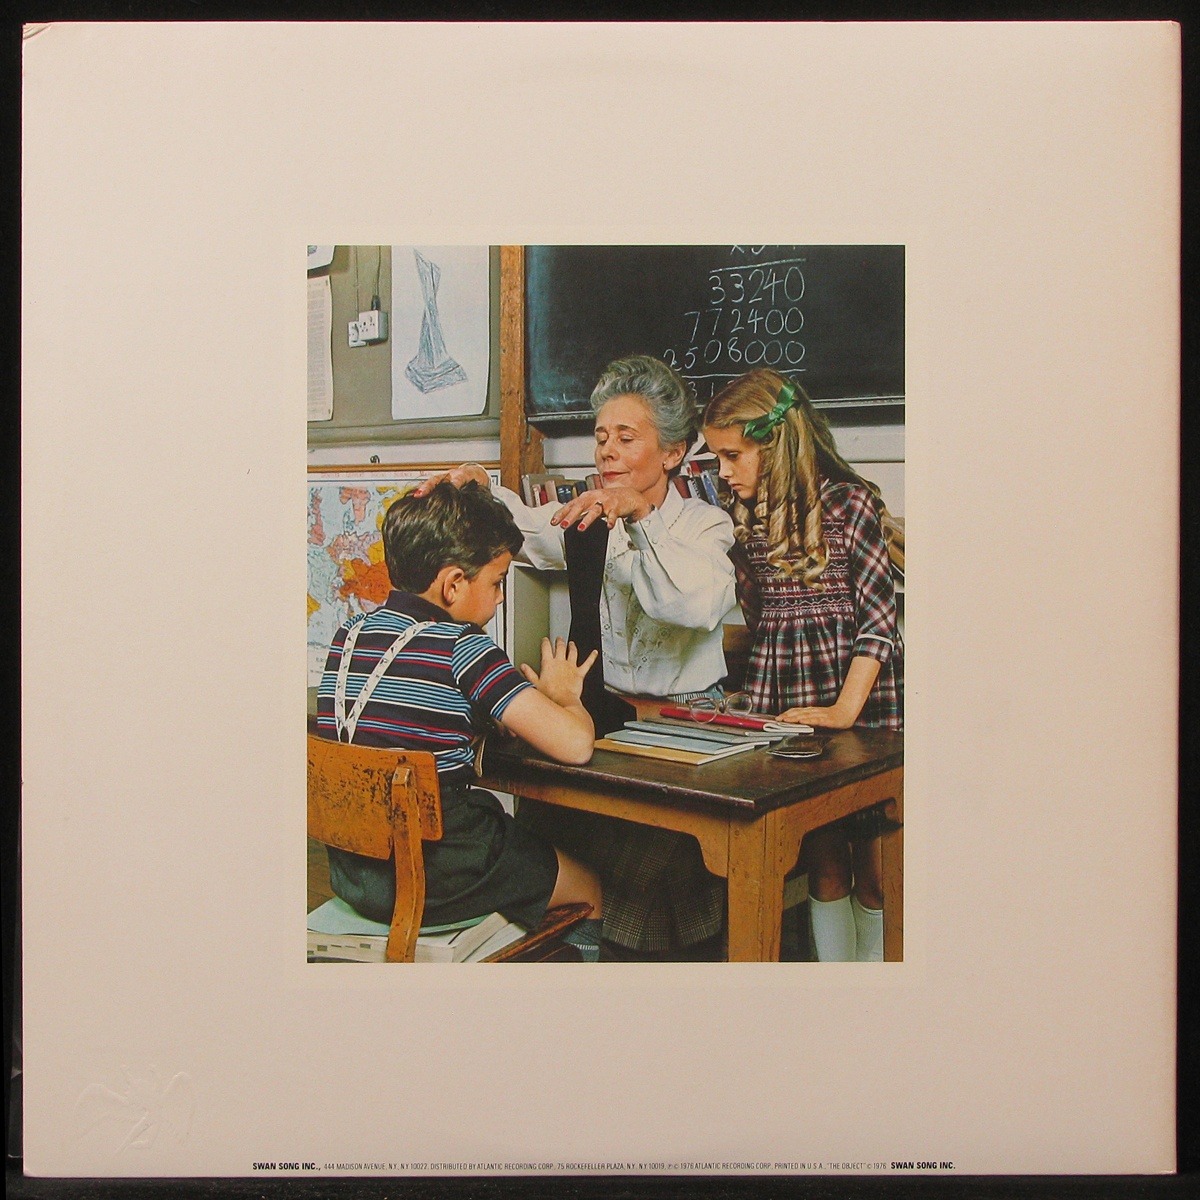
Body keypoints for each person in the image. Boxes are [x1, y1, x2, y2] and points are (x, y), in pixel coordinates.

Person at [415, 355, 738, 956]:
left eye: (626, 437)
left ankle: (635, 967)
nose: (607, 451)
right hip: (608, 721)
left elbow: (690, 605)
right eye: (601, 436)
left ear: (672, 453)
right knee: (541, 828)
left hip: (686, 729)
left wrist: (641, 518)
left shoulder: (706, 525)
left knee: (645, 870)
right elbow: (525, 528)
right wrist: (483, 488)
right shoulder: (589, 515)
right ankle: (574, 956)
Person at [314, 481, 605, 960]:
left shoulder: (349, 635)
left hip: (358, 874)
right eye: (496, 582)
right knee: (589, 886)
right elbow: (576, 746)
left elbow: (410, 714)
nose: (499, 598)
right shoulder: (462, 647)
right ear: (453, 584)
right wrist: (562, 697)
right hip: (442, 874)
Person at [702, 369, 904, 962]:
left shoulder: (850, 504)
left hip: (862, 705)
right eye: (717, 458)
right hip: (789, 701)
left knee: (874, 873)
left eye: (733, 456)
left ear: (776, 442)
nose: (723, 472)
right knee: (824, 862)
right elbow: (760, 615)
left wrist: (842, 710)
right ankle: (833, 994)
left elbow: (879, 623)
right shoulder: (746, 519)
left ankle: (872, 992)